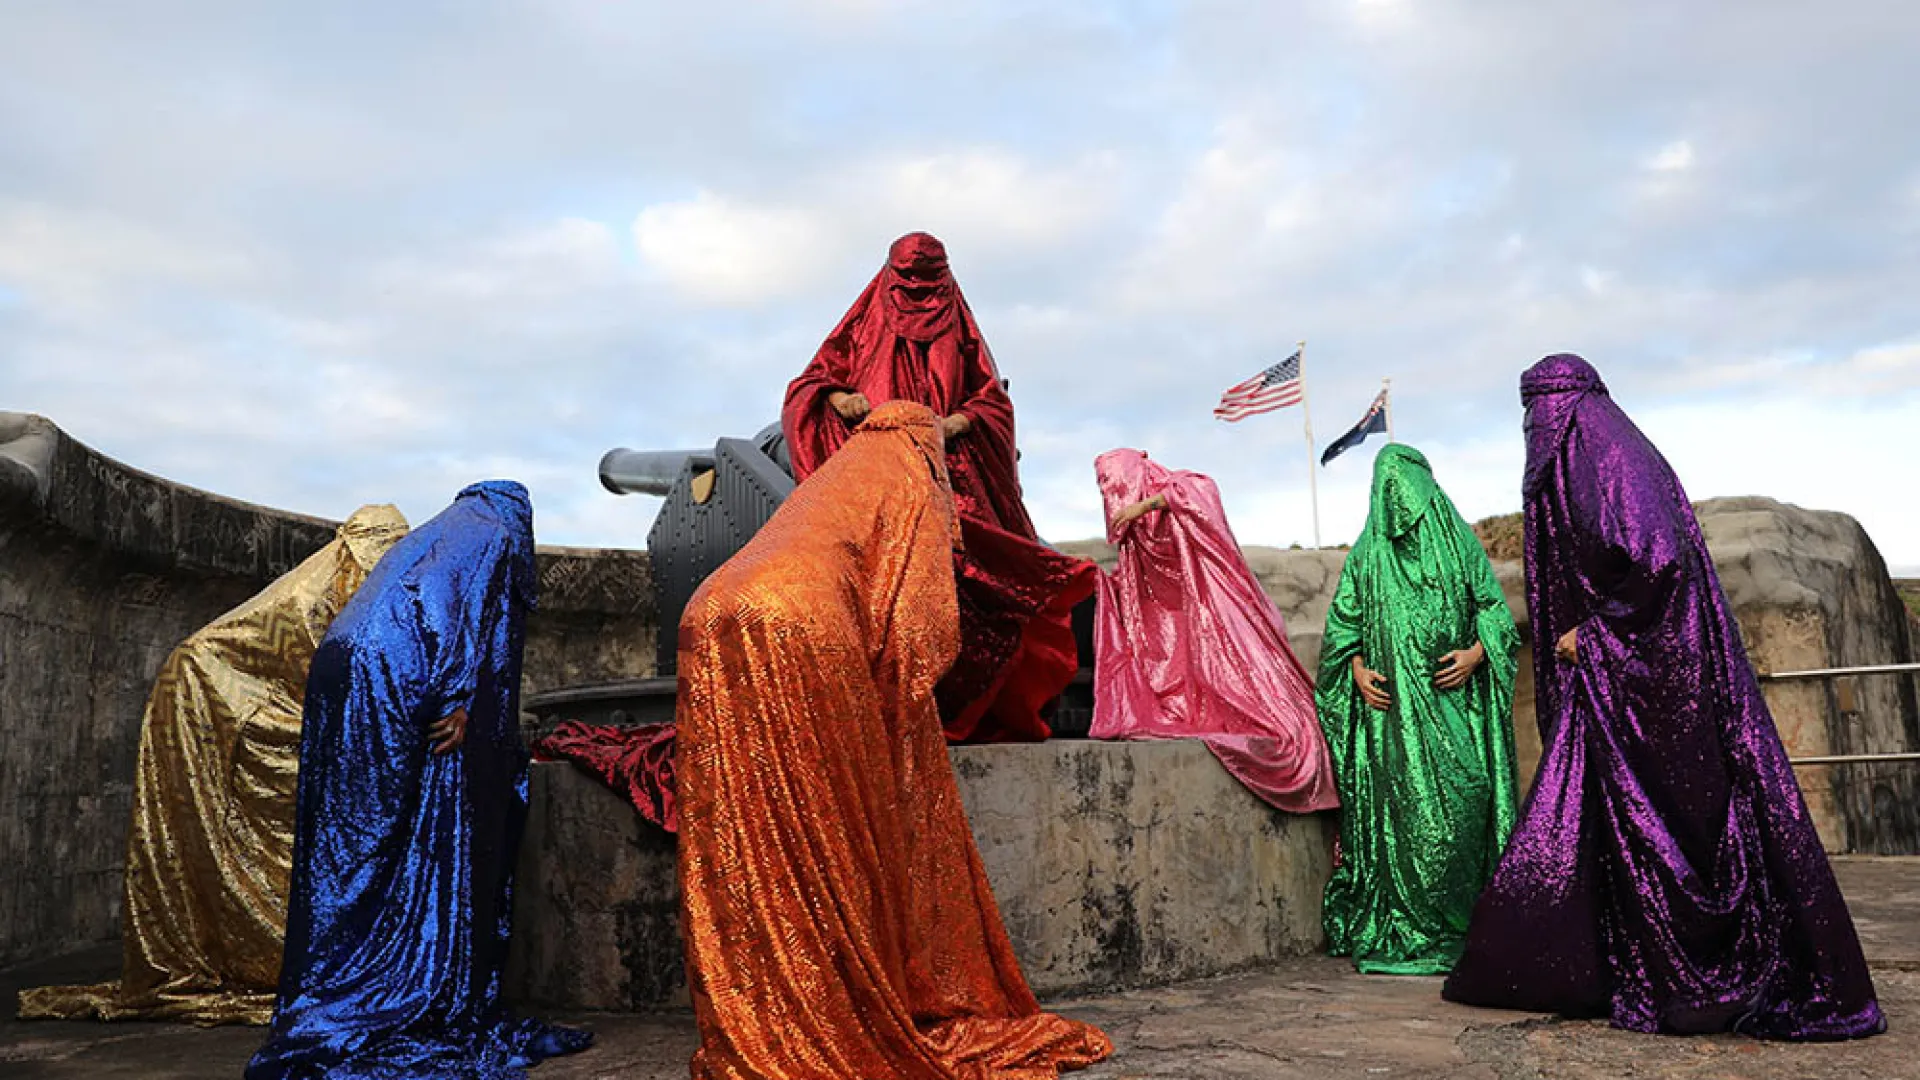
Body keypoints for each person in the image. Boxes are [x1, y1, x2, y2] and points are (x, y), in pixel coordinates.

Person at [1442, 354, 1885, 1040]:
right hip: (1625, 689)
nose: (1536, 427)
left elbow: (1656, 560)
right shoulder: (1607, 453)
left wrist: (1598, 633)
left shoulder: (1609, 460)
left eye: (1542, 411)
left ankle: (1698, 976)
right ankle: (1615, 966)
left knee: (1674, 824)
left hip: (1654, 685)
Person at [676, 401, 1112, 1079]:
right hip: (805, 621)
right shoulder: (913, 474)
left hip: (710, 608)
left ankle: (758, 1016)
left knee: (745, 836)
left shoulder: (830, 482)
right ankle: (826, 1012)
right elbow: (923, 624)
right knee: (830, 838)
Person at [246, 482, 592, 1079]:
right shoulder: (494, 533)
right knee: (412, 841)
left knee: (357, 840)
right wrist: (457, 695)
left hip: (344, 665)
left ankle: (331, 986)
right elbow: (458, 602)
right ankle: (394, 986)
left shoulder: (433, 536)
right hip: (403, 670)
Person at [19, 506, 408, 1026]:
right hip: (213, 711)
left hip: (260, 717)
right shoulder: (307, 600)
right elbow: (307, 688)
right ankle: (253, 954)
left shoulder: (366, 597)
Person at [783, 231, 1095, 742]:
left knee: (973, 575)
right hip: (879, 473)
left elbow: (992, 402)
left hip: (948, 476)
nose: (919, 296)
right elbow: (810, 385)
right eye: (909, 283)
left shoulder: (962, 332)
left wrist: (958, 423)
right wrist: (839, 398)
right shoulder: (862, 322)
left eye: (928, 284)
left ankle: (955, 709)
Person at [1316, 445, 1520, 975]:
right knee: (1402, 820)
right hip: (1394, 723)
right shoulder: (1367, 553)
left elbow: (1494, 611)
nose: (1395, 498)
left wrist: (1478, 653)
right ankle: (1408, 923)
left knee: (1467, 805)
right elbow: (1343, 626)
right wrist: (1356, 668)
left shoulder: (1459, 546)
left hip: (1459, 711)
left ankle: (1465, 923)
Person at [1089, 448, 1338, 812]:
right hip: (1179, 632)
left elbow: (1202, 490)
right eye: (1103, 486)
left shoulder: (1176, 487)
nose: (1110, 492)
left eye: (1113, 481)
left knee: (1263, 698)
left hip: (1219, 610)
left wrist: (1145, 506)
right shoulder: (1132, 533)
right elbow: (1135, 586)